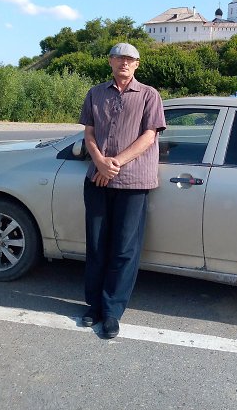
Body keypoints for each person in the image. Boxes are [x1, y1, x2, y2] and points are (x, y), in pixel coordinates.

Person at [79, 42, 166, 338]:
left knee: (124, 249)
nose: (124, 63)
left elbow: (149, 136)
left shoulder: (149, 95)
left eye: (130, 59)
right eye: (119, 58)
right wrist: (99, 162)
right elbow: (89, 133)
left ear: (137, 64)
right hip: (97, 180)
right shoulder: (95, 93)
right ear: (110, 61)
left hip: (133, 182)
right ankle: (94, 306)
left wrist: (113, 164)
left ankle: (112, 311)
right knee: (97, 245)